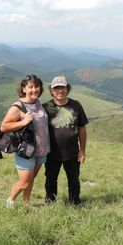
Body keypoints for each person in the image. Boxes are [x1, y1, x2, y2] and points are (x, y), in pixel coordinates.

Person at [0, 74, 50, 208]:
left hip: (41, 149)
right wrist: (23, 122)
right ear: (23, 89)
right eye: (30, 87)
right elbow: (4, 126)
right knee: (24, 182)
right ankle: (10, 201)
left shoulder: (37, 102)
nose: (34, 90)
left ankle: (26, 204)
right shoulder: (18, 106)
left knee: (30, 180)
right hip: (26, 150)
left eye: (37, 86)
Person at [43, 76, 88, 205]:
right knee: (51, 180)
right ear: (51, 90)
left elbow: (82, 128)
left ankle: (75, 203)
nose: (60, 91)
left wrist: (82, 150)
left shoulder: (76, 105)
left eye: (62, 87)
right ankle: (50, 203)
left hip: (72, 152)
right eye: (56, 88)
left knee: (74, 179)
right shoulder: (45, 107)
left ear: (67, 89)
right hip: (51, 153)